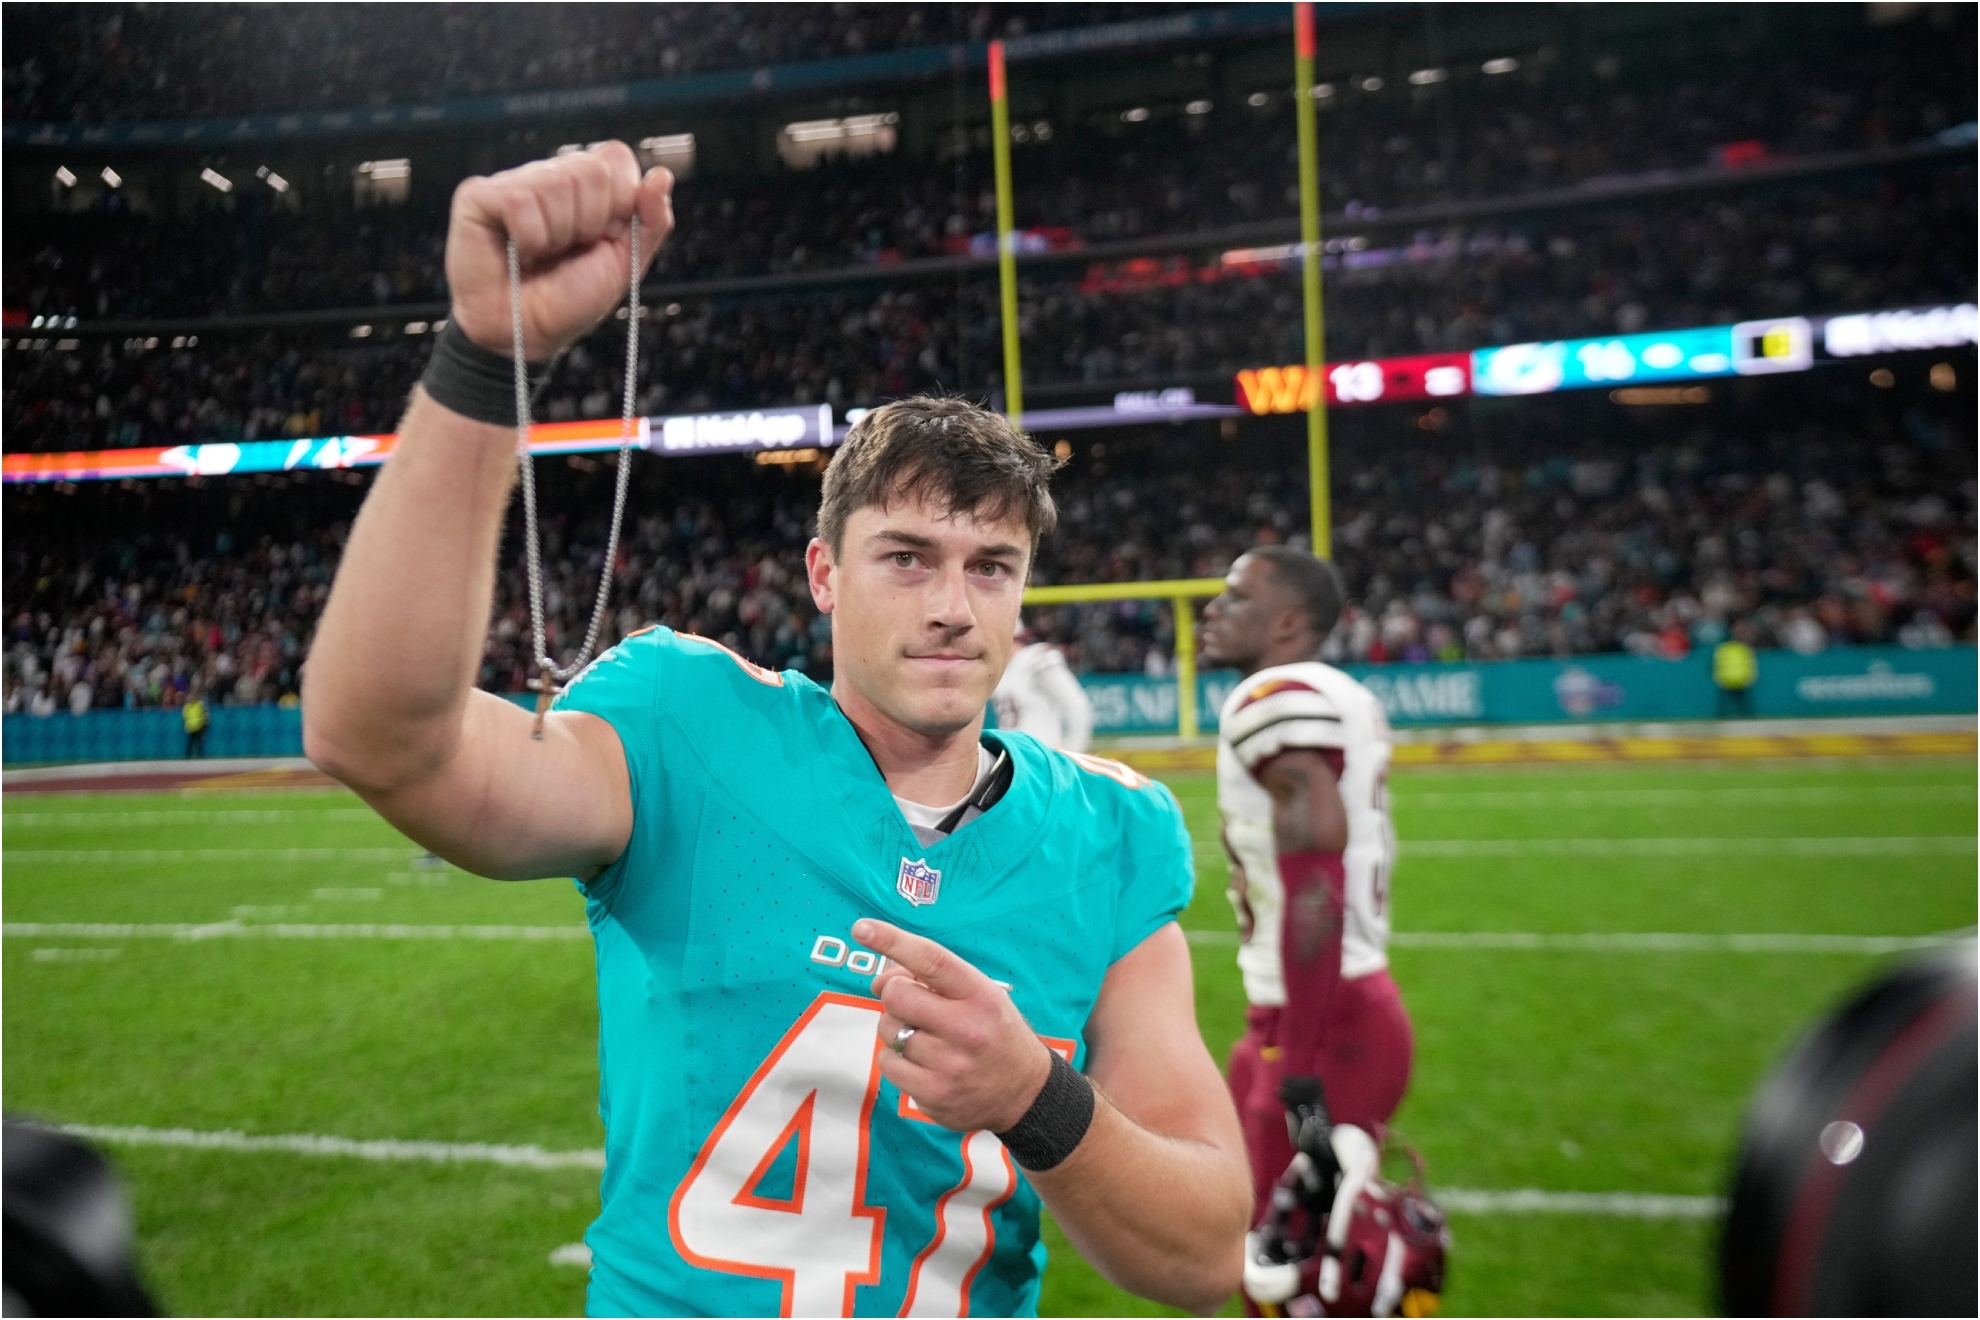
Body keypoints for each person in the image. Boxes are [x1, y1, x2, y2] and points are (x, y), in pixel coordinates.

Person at [302, 142, 1249, 1318]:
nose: (953, 607)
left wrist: (1033, 1096)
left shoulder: (1109, 832)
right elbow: (381, 739)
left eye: (991, 567)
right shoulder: (684, 726)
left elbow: (1207, 1258)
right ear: (823, 574)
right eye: (907, 558)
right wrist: (486, 361)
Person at [1196, 547, 1414, 1312]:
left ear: (1289, 622)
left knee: (1290, 1282)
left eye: (1236, 597)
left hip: (1324, 1021)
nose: (1212, 609)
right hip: (1328, 1010)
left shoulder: (1275, 697)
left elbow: (1316, 890)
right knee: (1284, 1262)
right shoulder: (1337, 693)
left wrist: (1301, 1064)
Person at [991, 619, 1094, 752]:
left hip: (1041, 753)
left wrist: (1073, 749)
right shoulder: (999, 668)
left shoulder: (1035, 658)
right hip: (1011, 754)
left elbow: (1076, 705)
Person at [1713, 622, 1758, 719]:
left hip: (1734, 679)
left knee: (1739, 702)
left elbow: (1749, 663)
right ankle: (1726, 716)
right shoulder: (1740, 648)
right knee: (1732, 702)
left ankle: (1742, 716)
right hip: (1733, 679)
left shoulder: (1726, 648)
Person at [182, 691, 209, 757]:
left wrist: (205, 724)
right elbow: (185, 717)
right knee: (190, 743)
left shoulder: (200, 705)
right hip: (191, 728)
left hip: (199, 727)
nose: (191, 699)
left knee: (199, 742)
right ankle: (188, 756)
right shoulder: (186, 707)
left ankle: (200, 755)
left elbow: (205, 714)